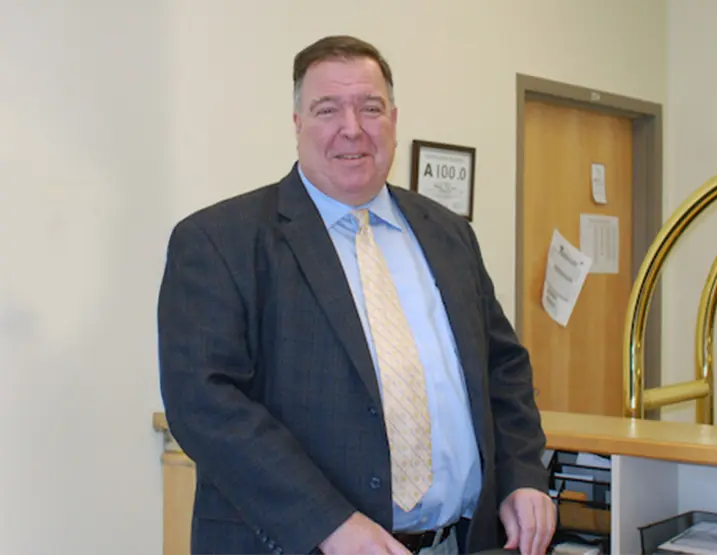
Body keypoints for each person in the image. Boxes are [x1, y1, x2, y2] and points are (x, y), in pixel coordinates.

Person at [157, 35, 555, 555]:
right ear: (297, 124)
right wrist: (328, 524)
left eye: (370, 108)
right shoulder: (221, 240)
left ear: (393, 118)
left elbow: (503, 368)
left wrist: (522, 472)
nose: (352, 128)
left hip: (460, 541)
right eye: (327, 109)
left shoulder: (448, 234)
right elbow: (206, 405)